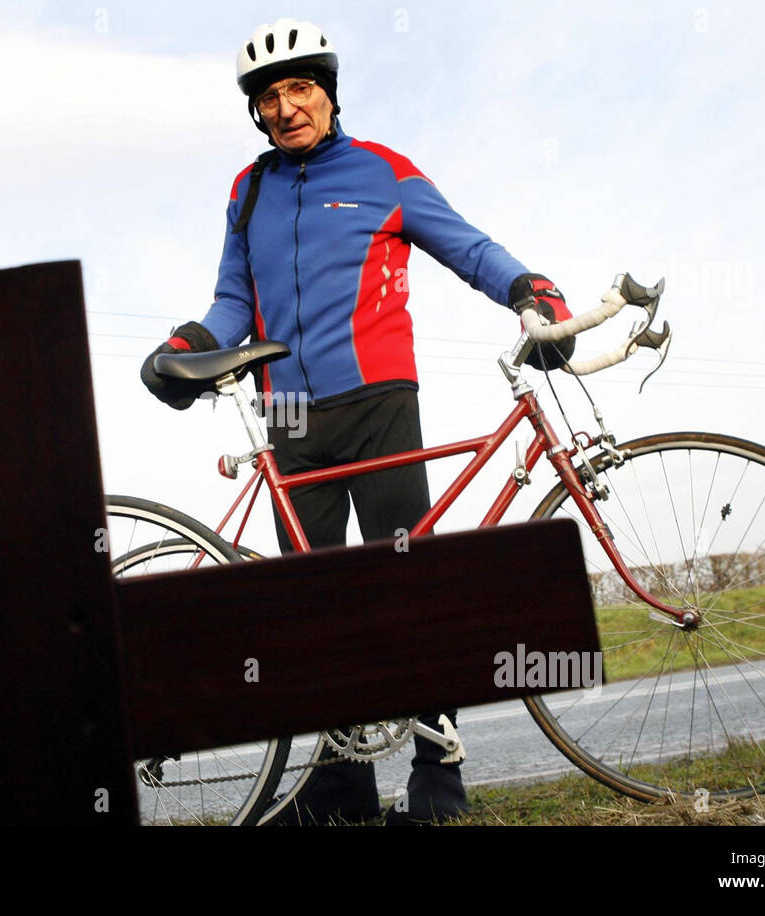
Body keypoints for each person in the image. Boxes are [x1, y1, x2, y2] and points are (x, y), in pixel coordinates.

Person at [140, 18, 574, 825]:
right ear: (258, 114)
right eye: (269, 97)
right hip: (290, 410)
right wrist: (190, 344)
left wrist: (530, 288)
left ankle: (439, 780)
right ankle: (342, 790)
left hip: (378, 400)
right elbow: (235, 296)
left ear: (328, 95)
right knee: (316, 609)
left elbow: (468, 246)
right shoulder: (249, 189)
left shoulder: (383, 171)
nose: (285, 106)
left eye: (300, 88)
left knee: (406, 592)